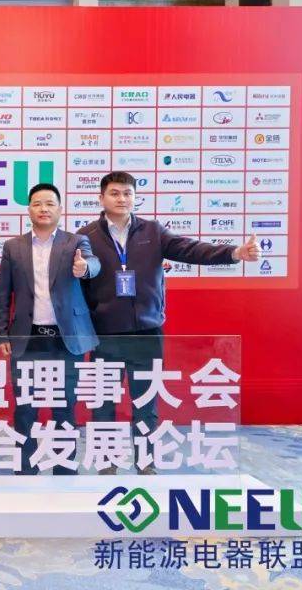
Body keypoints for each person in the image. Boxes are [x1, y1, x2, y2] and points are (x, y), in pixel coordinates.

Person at [78, 170, 261, 474]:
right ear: (101, 198)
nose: (122, 199)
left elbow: (191, 249)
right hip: (105, 334)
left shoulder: (152, 231)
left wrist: (235, 253)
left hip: (147, 333)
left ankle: (146, 462)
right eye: (115, 193)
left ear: (135, 197)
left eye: (127, 193)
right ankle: (106, 463)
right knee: (103, 403)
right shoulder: (86, 236)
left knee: (146, 403)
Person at [0, 182, 100, 475]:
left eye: (50, 203)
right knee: (25, 408)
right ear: (29, 209)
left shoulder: (76, 242)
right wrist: (1, 334)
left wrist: (85, 268)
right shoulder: (13, 247)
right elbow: (3, 294)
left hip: (65, 340)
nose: (43, 209)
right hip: (27, 339)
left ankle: (64, 470)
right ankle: (25, 469)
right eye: (37, 203)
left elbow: (93, 264)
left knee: (64, 407)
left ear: (60, 209)